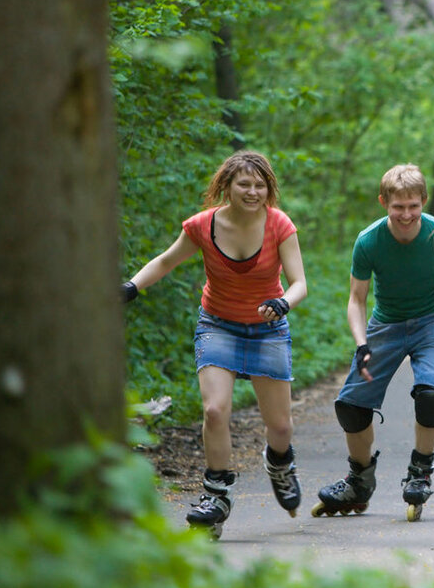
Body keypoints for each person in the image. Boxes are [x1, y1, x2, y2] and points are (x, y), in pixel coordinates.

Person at [121, 151, 308, 537]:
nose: (253, 192)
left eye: (260, 185)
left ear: (268, 189)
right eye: (244, 184)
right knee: (214, 410)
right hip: (218, 325)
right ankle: (216, 495)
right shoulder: (203, 226)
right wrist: (132, 287)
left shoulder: (278, 225)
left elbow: (299, 283)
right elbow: (167, 261)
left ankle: (279, 464)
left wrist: (282, 303)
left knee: (281, 427)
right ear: (226, 186)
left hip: (267, 329)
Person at [312, 164, 434, 522]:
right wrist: (361, 342)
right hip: (387, 322)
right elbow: (356, 298)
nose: (406, 214)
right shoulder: (368, 241)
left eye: (413, 206)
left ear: (423, 202)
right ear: (384, 202)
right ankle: (359, 479)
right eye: (398, 207)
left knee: (431, 395)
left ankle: (420, 471)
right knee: (351, 406)